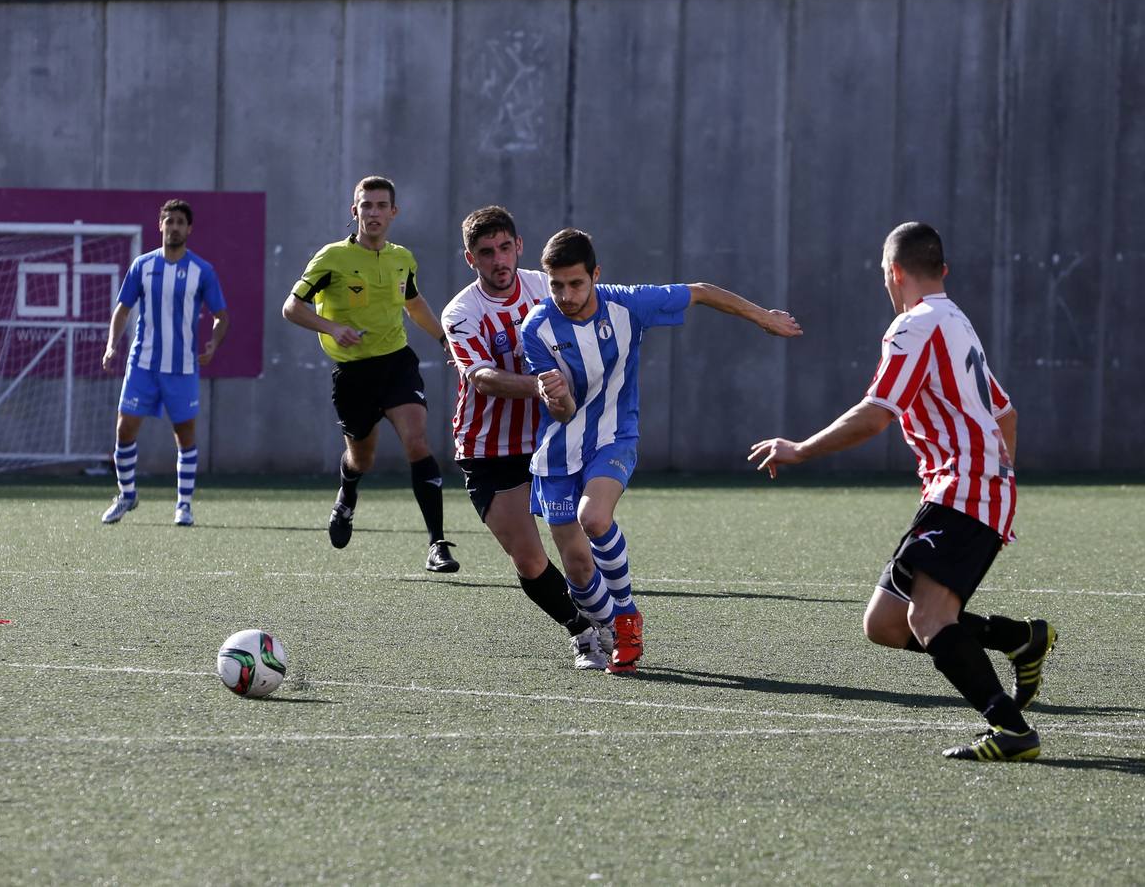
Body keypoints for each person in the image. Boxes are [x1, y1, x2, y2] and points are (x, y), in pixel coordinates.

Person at [748, 221, 1057, 762]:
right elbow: (1006, 413)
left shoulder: (913, 326)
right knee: (886, 623)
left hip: (964, 488)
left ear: (894, 273)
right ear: (943, 271)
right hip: (968, 487)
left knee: (927, 619)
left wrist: (798, 449)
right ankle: (1016, 638)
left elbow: (874, 416)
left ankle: (1011, 729)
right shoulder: (957, 322)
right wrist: (999, 477)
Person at [523, 227, 802, 673]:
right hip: (559, 450)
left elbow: (701, 291)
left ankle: (628, 616)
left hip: (615, 436)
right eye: (556, 285)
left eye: (576, 283)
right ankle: (610, 625)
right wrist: (555, 396)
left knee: (593, 517)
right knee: (576, 570)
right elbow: (563, 412)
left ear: (596, 274)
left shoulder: (629, 303)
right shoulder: (537, 327)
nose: (567, 294)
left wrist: (762, 317)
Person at [441, 207, 605, 669]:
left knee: (578, 546)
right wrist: (541, 385)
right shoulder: (461, 312)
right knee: (529, 559)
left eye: (505, 247)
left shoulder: (547, 285)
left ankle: (607, 622)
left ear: (519, 245)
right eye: (486, 252)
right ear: (470, 259)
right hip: (487, 448)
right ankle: (581, 632)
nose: (499, 259)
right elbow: (482, 378)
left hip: (549, 438)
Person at [282, 175, 458, 573]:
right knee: (362, 459)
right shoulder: (332, 258)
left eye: (382, 206)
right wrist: (332, 328)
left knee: (417, 441)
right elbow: (291, 308)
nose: (374, 213)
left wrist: (446, 340)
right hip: (353, 375)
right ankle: (347, 495)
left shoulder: (402, 258)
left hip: (397, 364)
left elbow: (413, 304)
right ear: (354, 210)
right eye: (367, 205)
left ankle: (437, 544)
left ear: (393, 212)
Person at [100, 199, 229, 527]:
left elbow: (221, 316)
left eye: (180, 222)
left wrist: (214, 342)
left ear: (189, 229)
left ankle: (183, 505)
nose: (174, 227)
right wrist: (112, 343)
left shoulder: (202, 271)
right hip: (142, 363)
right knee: (124, 429)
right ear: (160, 226)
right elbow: (123, 309)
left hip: (182, 367)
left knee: (185, 436)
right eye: (168, 221)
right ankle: (127, 495)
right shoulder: (142, 266)